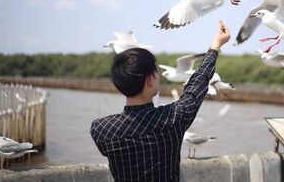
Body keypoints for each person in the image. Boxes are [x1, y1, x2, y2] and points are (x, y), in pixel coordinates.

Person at [90, 20, 230, 182]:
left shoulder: (101, 130)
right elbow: (196, 85)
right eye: (156, 72)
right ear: (150, 79)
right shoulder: (174, 118)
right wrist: (215, 46)